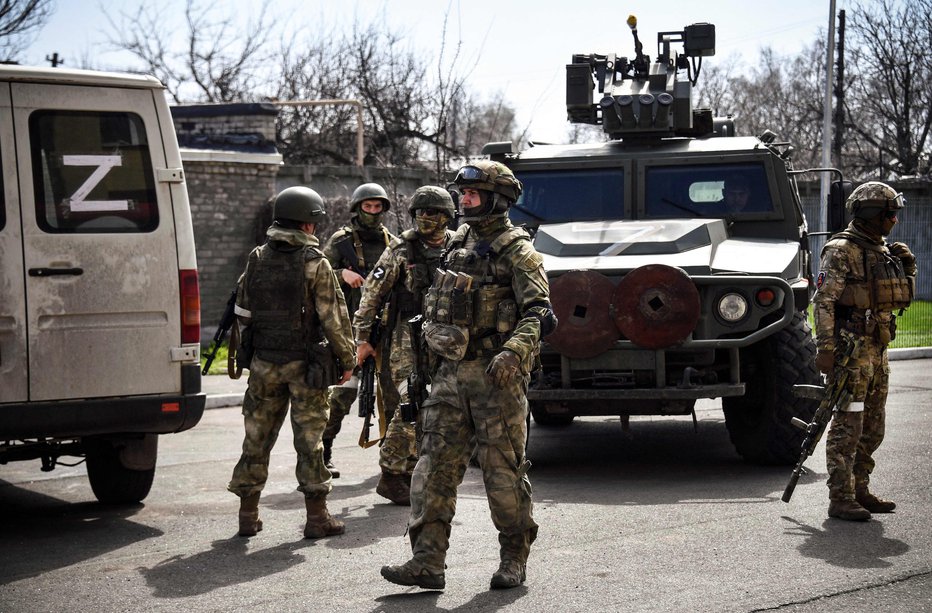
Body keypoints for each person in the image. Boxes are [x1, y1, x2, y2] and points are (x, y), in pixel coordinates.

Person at [381, 161, 557, 591]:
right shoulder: (456, 243)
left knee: (502, 473)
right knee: (432, 468)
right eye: (463, 194)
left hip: (496, 378)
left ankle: (514, 557)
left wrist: (515, 351)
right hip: (448, 376)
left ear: (497, 199)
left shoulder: (518, 249)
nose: (464, 201)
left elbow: (540, 312)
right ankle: (426, 563)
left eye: (473, 195)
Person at [228, 186, 356, 538]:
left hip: (264, 363)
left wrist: (248, 354)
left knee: (256, 438)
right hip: (306, 368)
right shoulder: (315, 263)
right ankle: (317, 519)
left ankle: (247, 515)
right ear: (309, 224)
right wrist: (347, 359)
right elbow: (334, 317)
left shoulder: (257, 256)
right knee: (310, 441)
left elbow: (243, 309)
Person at [813, 181, 917, 521]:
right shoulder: (841, 250)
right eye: (890, 215)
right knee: (848, 425)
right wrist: (825, 347)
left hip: (877, 349)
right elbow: (824, 301)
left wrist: (907, 272)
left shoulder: (882, 250)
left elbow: (891, 298)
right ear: (873, 215)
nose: (894, 221)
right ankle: (840, 497)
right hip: (851, 351)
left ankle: (860, 488)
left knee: (873, 425)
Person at [353, 186, 456, 506]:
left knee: (439, 407)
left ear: (446, 216)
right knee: (411, 402)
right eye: (420, 213)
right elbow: (371, 294)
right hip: (405, 338)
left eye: (432, 213)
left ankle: (414, 467)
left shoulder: (457, 246)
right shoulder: (400, 249)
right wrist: (363, 339)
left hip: (446, 339)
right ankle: (391, 473)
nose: (425, 218)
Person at [321, 183, 398, 477]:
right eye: (368, 207)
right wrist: (343, 273)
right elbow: (318, 273)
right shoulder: (341, 241)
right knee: (342, 395)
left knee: (390, 396)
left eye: (378, 207)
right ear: (357, 208)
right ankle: (323, 452)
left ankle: (392, 457)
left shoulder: (393, 243)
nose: (374, 212)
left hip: (386, 329)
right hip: (348, 331)